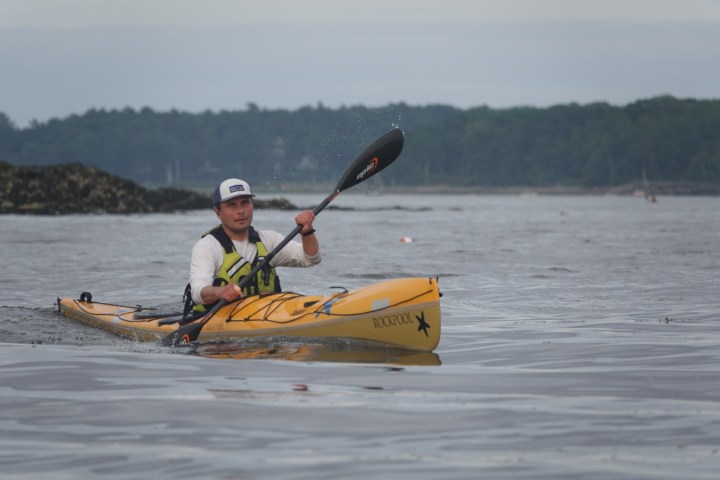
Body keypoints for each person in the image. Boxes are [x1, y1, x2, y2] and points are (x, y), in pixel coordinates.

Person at [183, 178, 321, 318]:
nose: (241, 211)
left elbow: (310, 259)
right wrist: (220, 292)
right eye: (232, 205)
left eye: (245, 203)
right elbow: (197, 291)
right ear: (218, 212)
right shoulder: (207, 246)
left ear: (252, 205)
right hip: (216, 320)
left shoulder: (269, 240)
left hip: (266, 315)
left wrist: (307, 233)